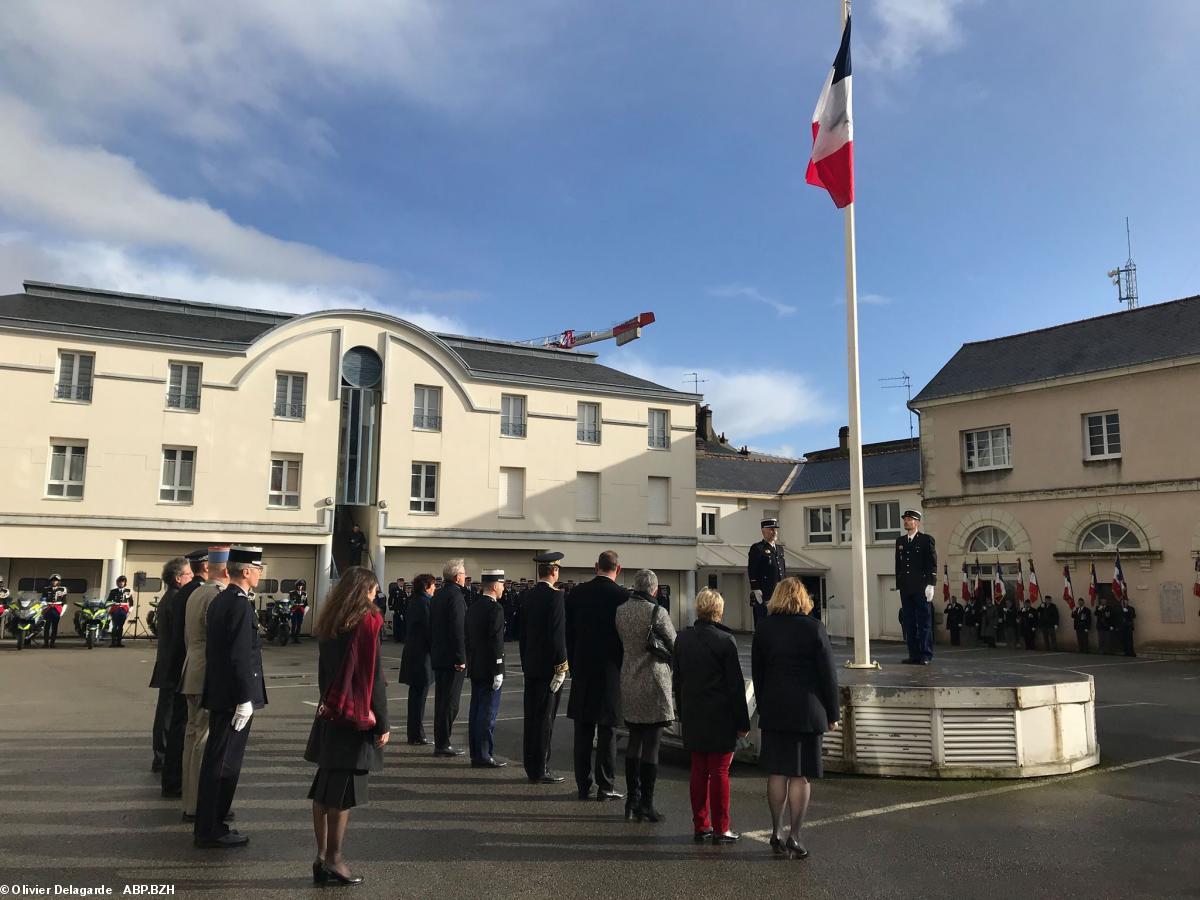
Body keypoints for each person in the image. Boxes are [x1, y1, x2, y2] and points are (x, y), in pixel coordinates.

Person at [304, 566, 389, 887]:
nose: (376, 595)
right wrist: (383, 722)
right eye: (373, 590)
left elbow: (324, 673)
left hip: (331, 711)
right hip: (354, 717)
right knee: (342, 794)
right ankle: (334, 861)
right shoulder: (367, 623)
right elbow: (374, 678)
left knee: (325, 789)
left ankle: (321, 856)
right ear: (363, 590)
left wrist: (329, 701)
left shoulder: (331, 621)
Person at [751, 577, 839, 860]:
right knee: (800, 775)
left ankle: (776, 831)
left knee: (777, 771)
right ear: (803, 598)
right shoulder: (814, 628)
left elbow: (759, 673)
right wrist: (833, 714)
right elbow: (828, 675)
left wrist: (763, 705)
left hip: (776, 707)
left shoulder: (764, 629)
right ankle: (795, 835)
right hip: (807, 709)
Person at [194, 545, 268, 849]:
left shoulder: (224, 599)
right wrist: (244, 698)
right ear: (247, 571)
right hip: (231, 696)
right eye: (259, 569)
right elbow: (239, 656)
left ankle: (211, 823)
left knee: (218, 759)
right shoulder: (238, 603)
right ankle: (212, 827)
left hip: (223, 692)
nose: (261, 574)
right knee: (224, 763)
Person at [673, 588, 750, 844]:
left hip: (693, 712)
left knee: (698, 770)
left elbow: (678, 680)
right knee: (719, 772)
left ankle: (701, 825)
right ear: (719, 610)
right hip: (720, 715)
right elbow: (735, 686)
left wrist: (681, 712)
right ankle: (721, 827)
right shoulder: (725, 641)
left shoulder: (682, 639)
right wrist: (742, 722)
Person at [614, 568, 676, 823]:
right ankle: (647, 803)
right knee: (653, 743)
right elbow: (674, 643)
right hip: (653, 681)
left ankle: (631, 800)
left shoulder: (621, 610)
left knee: (634, 741)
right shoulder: (657, 612)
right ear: (653, 589)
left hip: (629, 678)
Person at [565, 551, 628, 802]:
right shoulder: (623, 597)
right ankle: (605, 785)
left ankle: (583, 785)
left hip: (582, 668)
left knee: (582, 730)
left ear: (596, 567)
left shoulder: (576, 594)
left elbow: (569, 633)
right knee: (607, 732)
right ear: (618, 569)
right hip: (610, 670)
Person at [179, 546, 231, 823]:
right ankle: (200, 804)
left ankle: (191, 800)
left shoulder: (197, 591)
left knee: (193, 737)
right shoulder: (216, 595)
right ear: (225, 569)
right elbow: (219, 642)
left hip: (193, 670)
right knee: (204, 740)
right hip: (207, 675)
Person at [162, 549, 210, 799]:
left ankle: (174, 779)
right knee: (186, 728)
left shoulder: (185, 592)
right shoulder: (197, 592)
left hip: (181, 665)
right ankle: (176, 781)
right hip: (189, 666)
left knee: (182, 725)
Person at [519, 551, 570, 784]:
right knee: (545, 719)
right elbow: (558, 635)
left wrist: (524, 662)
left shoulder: (527, 596)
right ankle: (541, 768)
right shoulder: (556, 597)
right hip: (549, 667)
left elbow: (523, 635)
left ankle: (531, 765)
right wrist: (562, 666)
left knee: (531, 718)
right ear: (554, 571)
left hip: (530, 665)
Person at [148, 557, 193, 775]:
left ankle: (162, 755)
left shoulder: (172, 597)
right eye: (188, 575)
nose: (192, 578)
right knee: (168, 712)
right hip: (172, 664)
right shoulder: (175, 600)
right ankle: (162, 756)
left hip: (168, 663)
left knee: (168, 710)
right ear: (178, 579)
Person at [465, 569, 507, 768]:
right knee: (487, 714)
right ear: (494, 586)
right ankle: (483, 754)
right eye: (502, 584)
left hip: (476, 665)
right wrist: (498, 669)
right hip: (490, 668)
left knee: (475, 711)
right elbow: (496, 642)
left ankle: (476, 752)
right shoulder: (495, 609)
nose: (503, 588)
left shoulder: (473, 607)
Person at [430, 559, 469, 757]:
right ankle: (443, 743)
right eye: (463, 572)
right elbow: (458, 629)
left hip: (440, 656)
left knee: (441, 701)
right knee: (450, 703)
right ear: (457, 576)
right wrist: (461, 657)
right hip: (452, 659)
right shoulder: (455, 596)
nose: (465, 575)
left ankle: (441, 741)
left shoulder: (439, 594)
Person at [895, 509, 937, 665]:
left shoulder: (926, 540)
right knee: (909, 622)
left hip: (921, 587)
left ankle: (925, 654)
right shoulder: (900, 541)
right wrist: (899, 585)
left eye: (910, 519)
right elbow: (898, 565)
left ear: (917, 522)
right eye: (905, 519)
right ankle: (913, 654)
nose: (906, 522)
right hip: (906, 587)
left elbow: (932, 563)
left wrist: (931, 584)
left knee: (924, 622)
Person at [399, 574, 435, 745]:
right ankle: (416, 734)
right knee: (419, 697)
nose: (435, 588)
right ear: (427, 586)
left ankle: (414, 733)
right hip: (421, 656)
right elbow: (429, 629)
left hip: (414, 652)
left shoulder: (415, 600)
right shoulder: (424, 602)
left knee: (415, 696)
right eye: (433, 585)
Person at [747, 519, 786, 632]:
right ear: (763, 531)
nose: (774, 532)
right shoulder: (758, 548)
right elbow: (752, 569)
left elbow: (782, 570)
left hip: (779, 593)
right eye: (771, 530)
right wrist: (755, 588)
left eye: (775, 530)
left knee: (778, 623)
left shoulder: (779, 549)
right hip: (766, 592)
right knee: (764, 622)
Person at [39, 573, 68, 647]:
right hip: (48, 608)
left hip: (57, 609)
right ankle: (46, 643)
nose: (54, 582)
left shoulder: (63, 589)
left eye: (56, 580)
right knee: (46, 626)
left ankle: (52, 643)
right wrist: (43, 608)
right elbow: (42, 600)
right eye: (53, 580)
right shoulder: (46, 589)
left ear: (59, 581)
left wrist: (62, 612)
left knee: (55, 627)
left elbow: (64, 602)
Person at [106, 576, 133, 647]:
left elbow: (131, 602)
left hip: (124, 609)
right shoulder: (113, 591)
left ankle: (119, 642)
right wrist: (108, 610)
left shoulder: (128, 591)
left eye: (123, 582)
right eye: (120, 582)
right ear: (118, 583)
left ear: (125, 583)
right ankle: (113, 642)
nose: (121, 583)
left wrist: (130, 611)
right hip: (115, 608)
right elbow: (108, 601)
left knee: (121, 626)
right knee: (115, 626)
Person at [288, 579, 309, 644]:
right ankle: (292, 638)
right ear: (296, 586)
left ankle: (297, 638)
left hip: (301, 610)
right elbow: (289, 602)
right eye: (299, 585)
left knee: (299, 625)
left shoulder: (304, 593)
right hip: (294, 610)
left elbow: (306, 604)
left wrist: (305, 611)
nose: (300, 587)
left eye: (301, 585)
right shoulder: (291, 593)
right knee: (294, 624)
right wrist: (290, 609)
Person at [388, 579, 406, 643]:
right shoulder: (394, 589)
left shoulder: (405, 589)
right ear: (397, 583)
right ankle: (396, 638)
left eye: (402, 582)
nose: (401, 583)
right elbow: (390, 599)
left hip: (403, 610)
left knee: (403, 625)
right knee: (396, 624)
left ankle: (402, 638)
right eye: (400, 582)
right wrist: (391, 609)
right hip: (396, 609)